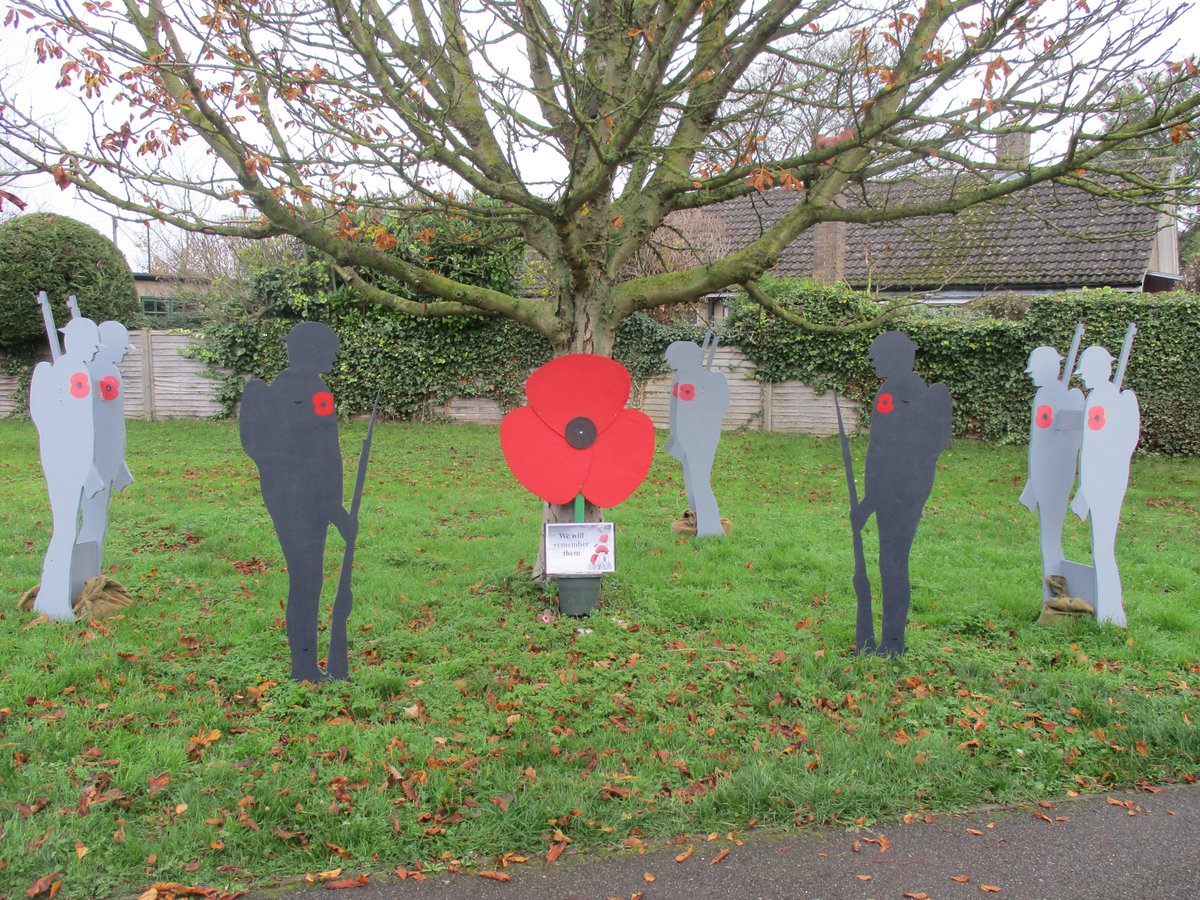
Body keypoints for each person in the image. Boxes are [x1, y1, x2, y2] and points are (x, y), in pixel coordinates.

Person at [240, 322, 356, 682]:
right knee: (307, 582)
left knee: (306, 580)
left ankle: (305, 664)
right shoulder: (312, 390)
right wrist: (335, 509)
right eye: (330, 347)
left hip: (288, 496)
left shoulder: (287, 387)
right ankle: (304, 668)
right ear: (313, 349)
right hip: (305, 500)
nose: (335, 355)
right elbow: (320, 453)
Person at [851, 331, 951, 656]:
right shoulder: (904, 389)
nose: (872, 360)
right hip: (906, 489)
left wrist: (868, 503)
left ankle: (893, 643)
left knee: (893, 564)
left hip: (897, 491)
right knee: (893, 563)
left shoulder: (897, 391)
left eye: (877, 354)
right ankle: (892, 641)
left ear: (893, 356)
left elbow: (887, 452)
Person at [30, 316, 104, 620]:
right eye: (93, 343)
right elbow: (78, 427)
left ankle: (53, 594)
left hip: (63, 459)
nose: (97, 350)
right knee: (64, 530)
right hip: (68, 462)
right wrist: (86, 467)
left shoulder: (65, 370)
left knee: (65, 529)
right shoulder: (74, 373)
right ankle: (54, 600)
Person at [1071, 344, 1139, 627]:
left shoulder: (1101, 400)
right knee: (1102, 548)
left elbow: (1097, 446)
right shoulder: (1106, 397)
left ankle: (1111, 614)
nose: (1083, 379)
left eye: (1086, 373)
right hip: (1103, 480)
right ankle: (1110, 610)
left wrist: (1086, 488)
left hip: (1103, 481)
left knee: (1103, 549)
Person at [1018, 344, 1085, 605]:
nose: (1031, 375)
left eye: (1035, 370)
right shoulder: (1046, 395)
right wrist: (1032, 482)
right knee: (1049, 533)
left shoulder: (1055, 396)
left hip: (1055, 473)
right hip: (1045, 473)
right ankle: (1054, 585)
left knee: (1050, 534)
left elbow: (1063, 442)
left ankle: (1055, 588)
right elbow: (1040, 442)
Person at [76, 320, 135, 579]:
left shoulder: (112, 374)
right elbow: (80, 427)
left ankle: (90, 575)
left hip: (106, 463)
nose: (125, 353)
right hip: (90, 465)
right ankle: (81, 578)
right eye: (122, 347)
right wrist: (86, 466)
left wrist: (118, 463)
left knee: (98, 521)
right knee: (89, 522)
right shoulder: (84, 376)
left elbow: (111, 424)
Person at [663, 339, 729, 536]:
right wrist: (675, 437)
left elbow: (718, 408)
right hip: (683, 436)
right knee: (692, 479)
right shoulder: (680, 377)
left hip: (700, 437)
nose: (669, 362)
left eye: (673, 358)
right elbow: (676, 411)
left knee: (700, 480)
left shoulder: (708, 378)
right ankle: (697, 517)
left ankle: (711, 528)